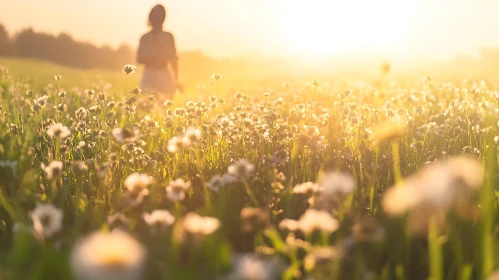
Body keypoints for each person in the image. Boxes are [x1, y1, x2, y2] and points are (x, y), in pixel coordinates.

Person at [137, 4, 182, 98]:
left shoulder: (168, 37)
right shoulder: (145, 38)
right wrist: (151, 59)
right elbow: (139, 58)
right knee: (148, 105)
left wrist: (176, 81)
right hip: (150, 75)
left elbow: (174, 60)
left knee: (161, 105)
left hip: (163, 76)